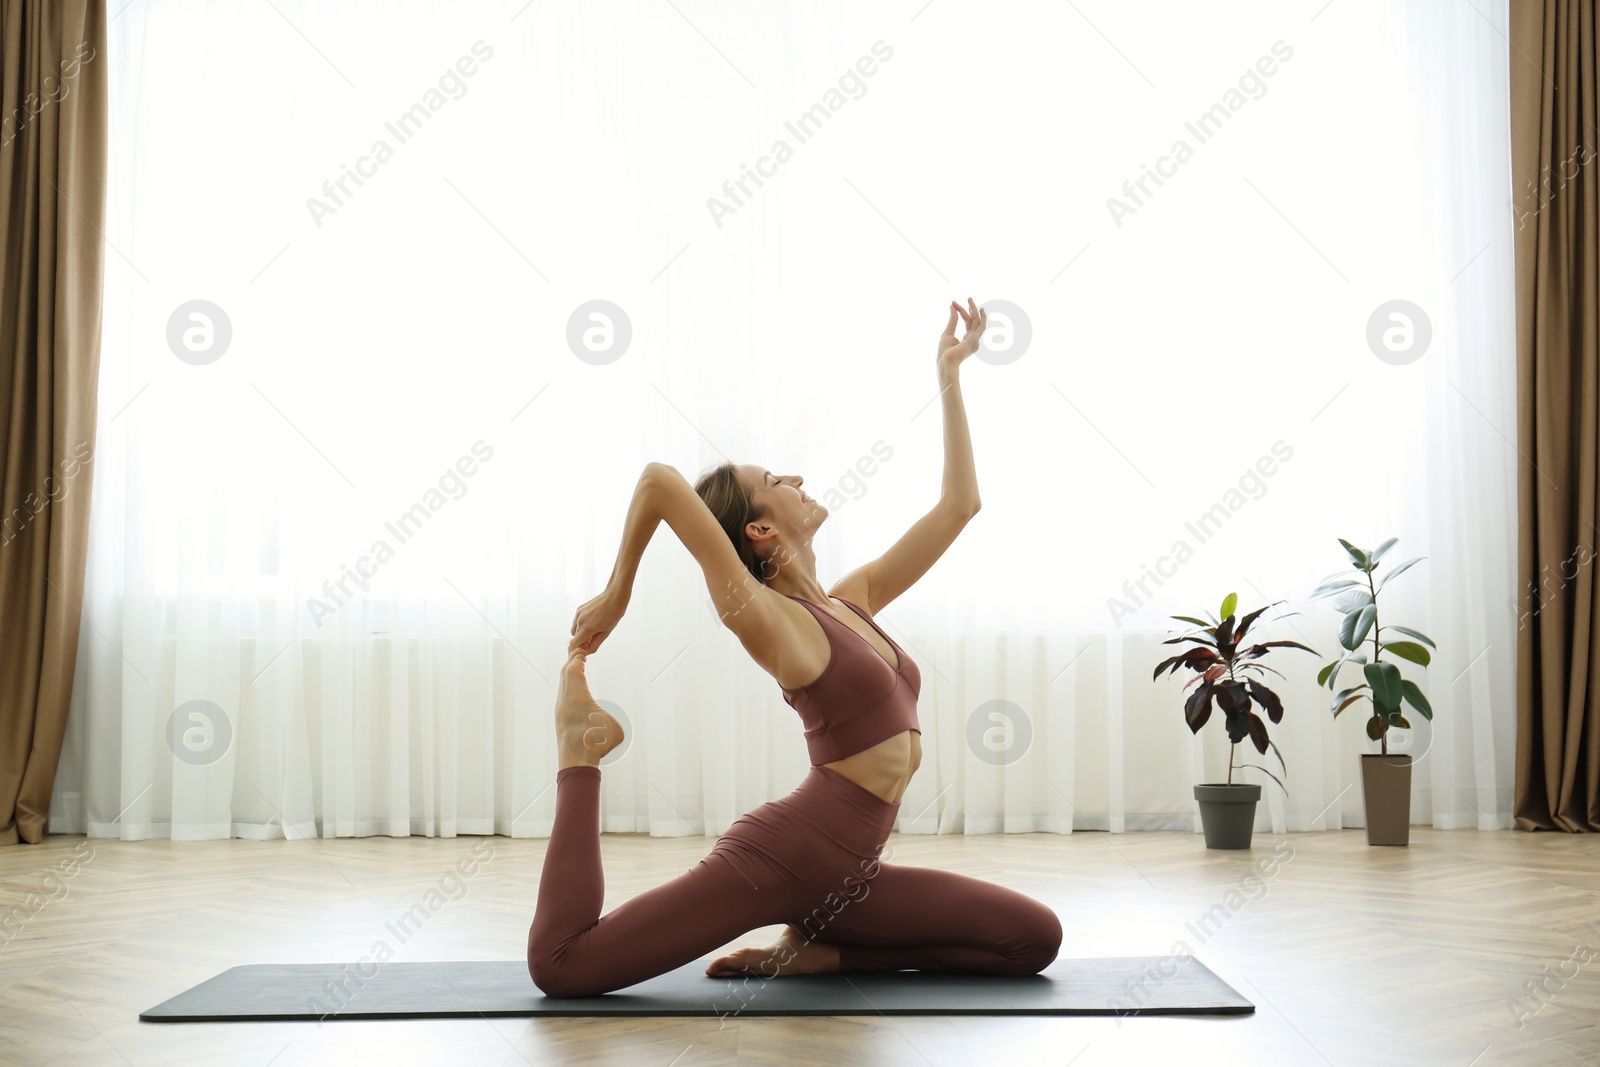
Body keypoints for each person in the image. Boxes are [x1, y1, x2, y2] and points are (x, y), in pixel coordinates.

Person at [527, 298, 1062, 998]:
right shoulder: (768, 619)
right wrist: (618, 592)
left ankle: (821, 951)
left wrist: (950, 373)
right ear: (758, 534)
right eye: (776, 481)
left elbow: (960, 504)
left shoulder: (850, 600)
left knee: (1034, 938)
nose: (798, 480)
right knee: (566, 965)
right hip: (784, 857)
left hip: (852, 877)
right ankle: (579, 747)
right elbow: (659, 480)